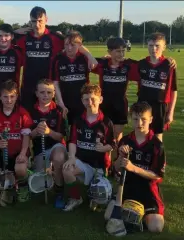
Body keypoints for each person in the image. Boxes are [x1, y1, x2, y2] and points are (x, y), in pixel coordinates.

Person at [0, 6, 97, 109]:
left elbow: (75, 43)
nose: (37, 24)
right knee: (28, 118)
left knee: (48, 116)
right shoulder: (23, 38)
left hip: (48, 86)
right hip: (28, 86)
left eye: (40, 20)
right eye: (34, 21)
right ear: (30, 22)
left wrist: (89, 56)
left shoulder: (55, 38)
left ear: (46, 19)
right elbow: (2, 39)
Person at [107, 101, 166, 233]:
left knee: (156, 227)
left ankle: (138, 217)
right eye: (135, 119)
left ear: (151, 119)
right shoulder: (125, 141)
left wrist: (134, 168)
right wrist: (121, 157)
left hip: (147, 190)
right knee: (107, 216)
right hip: (127, 186)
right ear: (131, 119)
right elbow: (115, 169)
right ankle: (132, 215)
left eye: (143, 119)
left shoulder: (157, 145)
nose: (139, 123)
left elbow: (157, 176)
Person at [61, 84, 116, 211]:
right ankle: (76, 198)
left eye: (93, 99)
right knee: (67, 169)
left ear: (100, 100)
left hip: (99, 166)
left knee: (98, 199)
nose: (90, 102)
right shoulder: (78, 120)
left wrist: (104, 148)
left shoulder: (106, 122)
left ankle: (97, 188)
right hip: (82, 162)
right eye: (86, 99)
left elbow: (112, 144)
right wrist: (72, 158)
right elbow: (73, 141)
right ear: (82, 101)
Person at [0, 80, 33, 204]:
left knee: (19, 169)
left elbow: (26, 136)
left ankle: (23, 184)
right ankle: (10, 184)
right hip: (3, 154)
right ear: (0, 97)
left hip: (19, 152)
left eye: (12, 96)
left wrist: (23, 153)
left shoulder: (23, 113)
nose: (9, 100)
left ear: (16, 96)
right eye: (5, 97)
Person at [91, 37, 139, 143]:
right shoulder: (102, 64)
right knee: (104, 134)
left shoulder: (128, 65)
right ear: (109, 52)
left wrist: (168, 60)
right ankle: (106, 158)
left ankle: (118, 157)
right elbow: (87, 60)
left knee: (117, 136)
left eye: (123, 51)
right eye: (118, 51)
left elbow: (148, 66)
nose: (121, 54)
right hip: (104, 104)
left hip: (120, 105)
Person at [28, 79, 67, 207]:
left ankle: (59, 190)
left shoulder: (58, 111)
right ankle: (42, 169)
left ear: (54, 93)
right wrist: (36, 131)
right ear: (36, 93)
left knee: (59, 157)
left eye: (49, 92)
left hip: (56, 147)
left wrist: (48, 132)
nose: (46, 95)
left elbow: (60, 136)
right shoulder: (29, 110)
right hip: (40, 150)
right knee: (41, 183)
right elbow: (28, 136)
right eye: (42, 92)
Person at [133, 33, 177, 142]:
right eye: (151, 45)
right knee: (141, 134)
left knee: (157, 137)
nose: (154, 48)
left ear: (164, 47)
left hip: (160, 106)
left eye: (157, 45)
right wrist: (109, 57)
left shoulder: (169, 65)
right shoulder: (141, 64)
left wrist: (171, 112)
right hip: (142, 104)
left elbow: (173, 90)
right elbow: (121, 63)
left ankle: (159, 159)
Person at [51, 30, 97, 125]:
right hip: (65, 102)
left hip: (83, 102)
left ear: (80, 46)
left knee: (81, 131)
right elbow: (55, 83)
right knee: (65, 133)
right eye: (66, 44)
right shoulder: (58, 60)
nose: (69, 48)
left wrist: (89, 55)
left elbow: (95, 64)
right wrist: (61, 103)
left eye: (73, 45)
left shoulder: (85, 58)